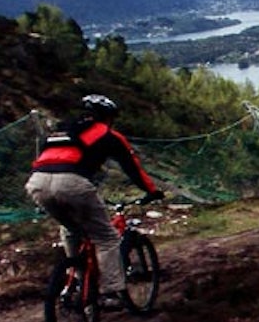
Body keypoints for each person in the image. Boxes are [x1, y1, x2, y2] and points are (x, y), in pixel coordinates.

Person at [26, 94, 163, 310]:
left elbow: (48, 159)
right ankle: (111, 293)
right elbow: (132, 167)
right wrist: (152, 191)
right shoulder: (108, 134)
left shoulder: (60, 131)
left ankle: (77, 280)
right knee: (107, 238)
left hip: (37, 182)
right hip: (72, 183)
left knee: (71, 229)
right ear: (108, 117)